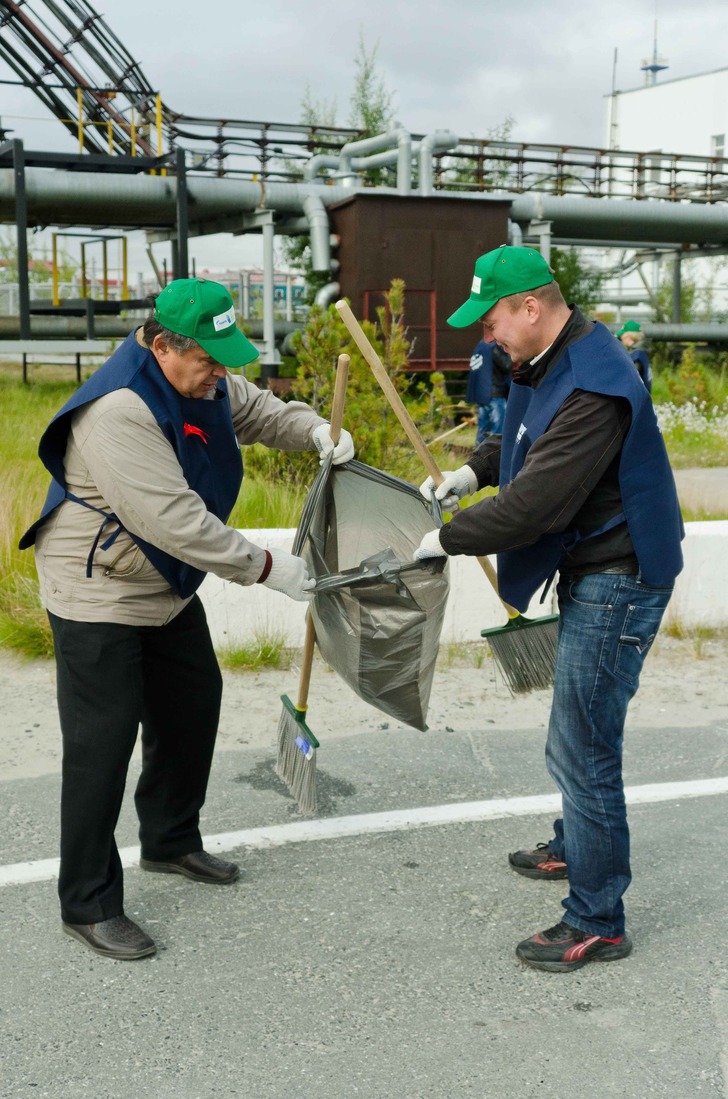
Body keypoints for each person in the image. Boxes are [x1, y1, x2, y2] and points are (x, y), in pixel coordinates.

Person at [19, 277, 355, 961]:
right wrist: (271, 569)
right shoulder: (118, 411)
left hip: (162, 582)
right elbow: (175, 522)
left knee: (191, 702)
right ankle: (86, 901)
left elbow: (261, 413)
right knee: (102, 741)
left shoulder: (205, 381)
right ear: (164, 346)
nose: (219, 374)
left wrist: (316, 429)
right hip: (101, 585)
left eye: (224, 359)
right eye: (208, 359)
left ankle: (170, 840)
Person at [415, 245, 683, 973]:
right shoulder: (547, 358)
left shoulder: (598, 382)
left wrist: (442, 537)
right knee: (577, 722)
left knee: (583, 741)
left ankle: (598, 917)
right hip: (591, 561)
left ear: (531, 307)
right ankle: (576, 845)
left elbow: (535, 504)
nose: (487, 335)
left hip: (620, 576)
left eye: (493, 318)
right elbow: (526, 439)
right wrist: (474, 467)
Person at [466, 329, 513, 444]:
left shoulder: (479, 346)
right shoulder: (493, 347)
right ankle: (495, 458)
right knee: (498, 430)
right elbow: (507, 365)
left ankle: (478, 457)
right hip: (494, 393)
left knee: (483, 429)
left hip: (481, 394)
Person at [616, 319, 652, 393]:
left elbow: (631, 381)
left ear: (629, 336)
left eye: (622, 335)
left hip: (636, 399)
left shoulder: (637, 356)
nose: (621, 338)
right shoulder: (642, 352)